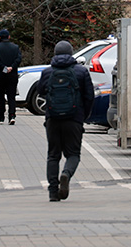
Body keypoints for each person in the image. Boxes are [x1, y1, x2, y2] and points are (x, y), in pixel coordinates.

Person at [37, 40, 94, 202]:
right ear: (71, 53)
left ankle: (53, 192)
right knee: (73, 154)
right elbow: (89, 96)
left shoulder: (48, 72)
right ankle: (66, 174)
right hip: (74, 118)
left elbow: (41, 90)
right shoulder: (81, 72)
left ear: (54, 53)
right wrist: (83, 116)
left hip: (53, 118)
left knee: (53, 155)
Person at [0, 28, 21, 124]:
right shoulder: (15, 47)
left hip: (0, 75)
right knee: (11, 96)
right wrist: (11, 67)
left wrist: (4, 68)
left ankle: (1, 117)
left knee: (0, 96)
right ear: (9, 37)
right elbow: (18, 59)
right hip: (12, 75)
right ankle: (12, 115)